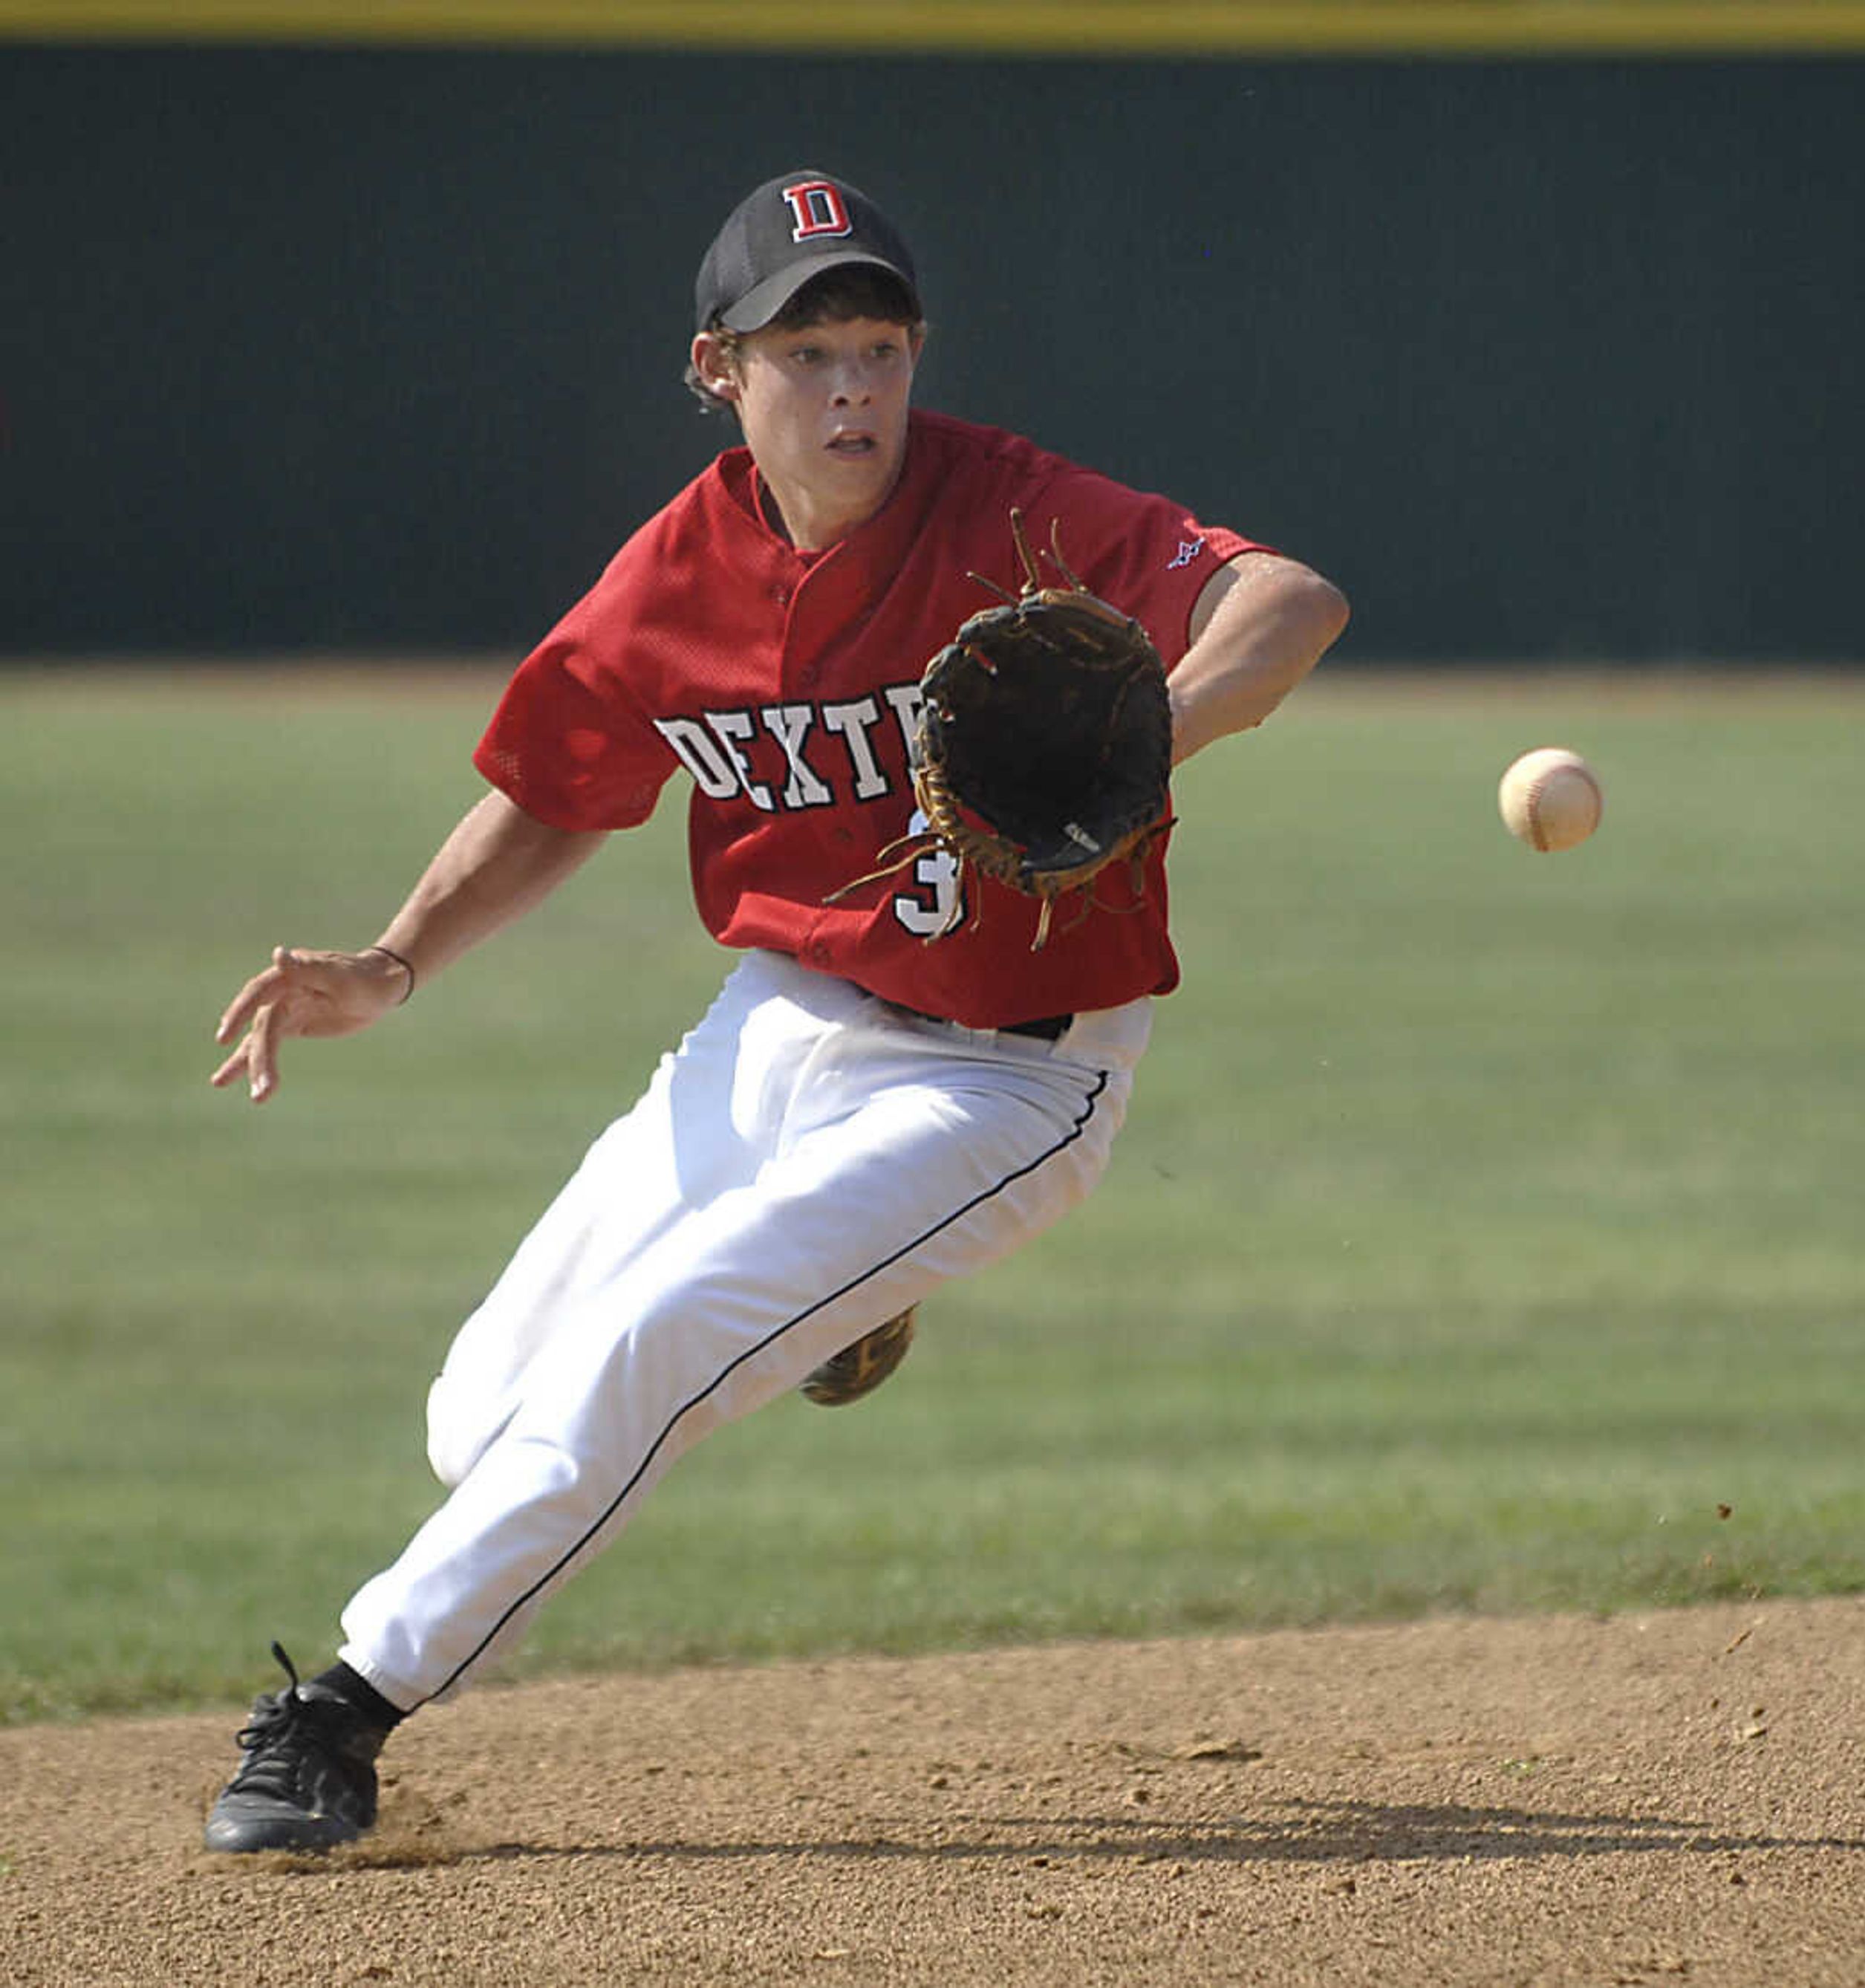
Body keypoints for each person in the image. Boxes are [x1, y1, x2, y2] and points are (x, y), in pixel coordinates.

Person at [198, 169, 1349, 1854]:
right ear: (718, 370)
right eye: (806, 353)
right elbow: (559, 783)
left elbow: (1290, 602)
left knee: (657, 1335)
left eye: (879, 346)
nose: (853, 389)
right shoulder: (678, 571)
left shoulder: (1012, 510)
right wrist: (392, 959)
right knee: (484, 1417)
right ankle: (837, 1308)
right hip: (782, 1019)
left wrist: (1154, 721)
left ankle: (339, 1714)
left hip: (1008, 1079)